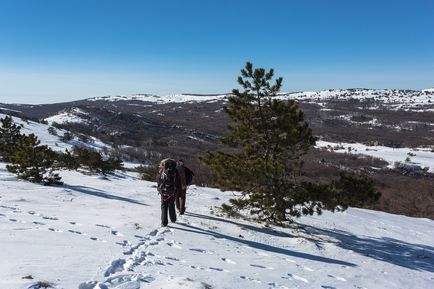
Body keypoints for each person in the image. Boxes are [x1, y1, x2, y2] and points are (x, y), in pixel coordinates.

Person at [157, 158, 179, 227]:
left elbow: (158, 181)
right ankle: (173, 219)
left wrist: (159, 189)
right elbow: (178, 182)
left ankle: (164, 222)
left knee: (164, 206)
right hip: (173, 191)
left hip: (164, 191)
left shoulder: (162, 171)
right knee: (171, 204)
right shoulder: (175, 171)